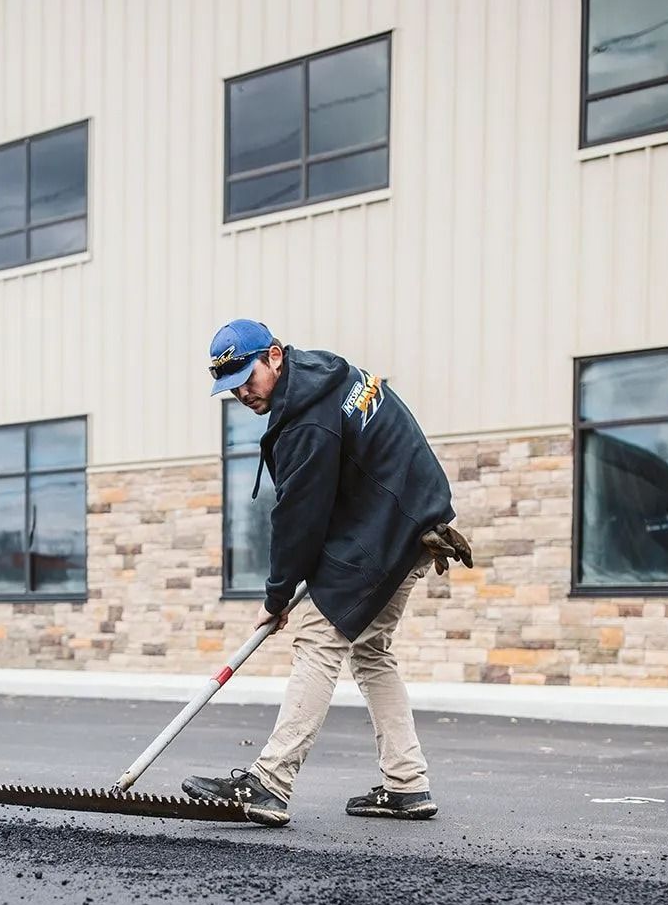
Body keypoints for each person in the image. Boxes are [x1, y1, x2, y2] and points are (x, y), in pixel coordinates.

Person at [183, 319, 473, 828]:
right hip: (413, 519)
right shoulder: (320, 372)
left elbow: (299, 517)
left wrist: (276, 599)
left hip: (389, 526)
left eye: (246, 380)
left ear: (273, 357)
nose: (242, 396)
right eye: (230, 390)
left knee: (318, 637)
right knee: (372, 651)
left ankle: (269, 784)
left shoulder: (306, 422)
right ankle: (407, 785)